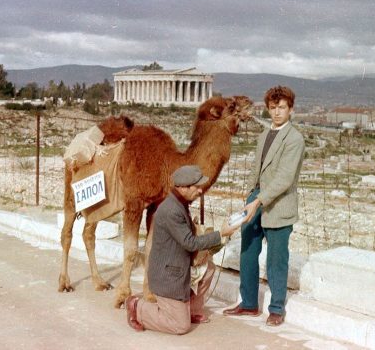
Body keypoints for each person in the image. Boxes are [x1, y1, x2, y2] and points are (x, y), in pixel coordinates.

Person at [125, 165, 243, 334]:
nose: (200, 191)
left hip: (178, 265)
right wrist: (221, 234)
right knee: (180, 326)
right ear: (183, 188)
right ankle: (137, 307)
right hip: (167, 275)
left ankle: (191, 311)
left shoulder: (179, 203)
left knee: (208, 269)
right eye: (197, 187)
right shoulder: (171, 210)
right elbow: (190, 243)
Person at [223, 86, 305, 326]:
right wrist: (250, 196)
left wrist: (258, 200)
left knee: (276, 259)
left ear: (291, 109)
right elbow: (256, 170)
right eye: (273, 108)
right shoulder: (263, 136)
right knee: (248, 252)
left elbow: (284, 178)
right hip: (255, 201)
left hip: (278, 204)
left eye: (282, 108)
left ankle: (277, 308)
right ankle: (248, 304)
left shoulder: (295, 139)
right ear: (268, 109)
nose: (277, 112)